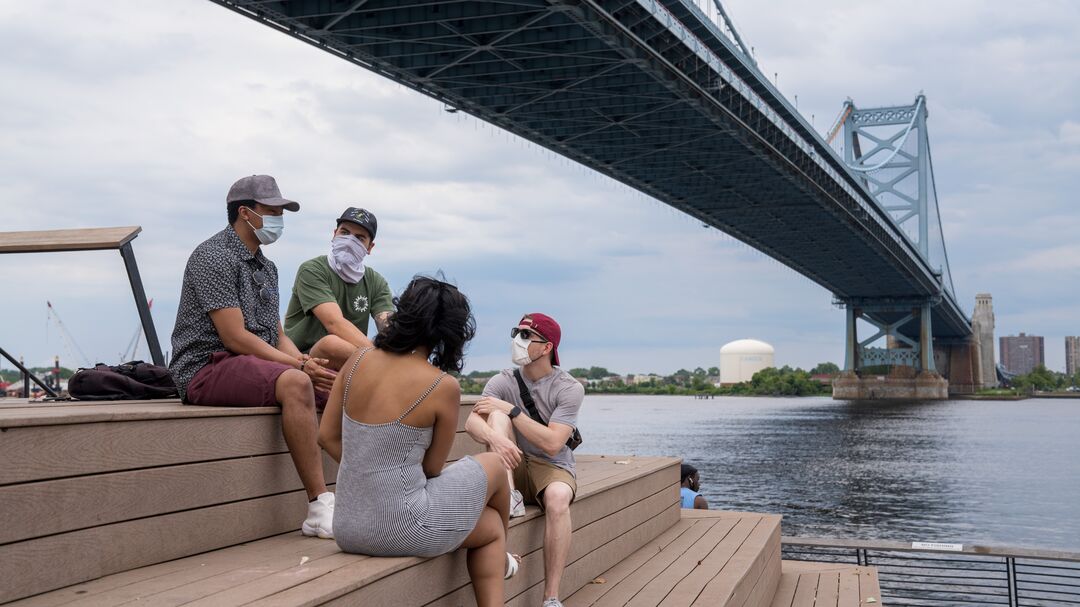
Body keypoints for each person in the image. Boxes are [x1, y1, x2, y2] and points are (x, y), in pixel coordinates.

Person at [319, 277, 519, 607]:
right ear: (450, 332)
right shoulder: (442, 386)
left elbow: (325, 436)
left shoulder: (356, 361)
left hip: (349, 525)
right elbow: (432, 468)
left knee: (491, 526)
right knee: (495, 465)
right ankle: (502, 563)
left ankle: (501, 558)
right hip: (404, 526)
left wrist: (370, 472)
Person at [170, 174, 338, 539]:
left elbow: (277, 335)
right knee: (296, 382)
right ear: (244, 212)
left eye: (282, 210)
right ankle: (318, 504)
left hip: (252, 363)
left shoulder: (267, 267)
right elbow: (234, 337)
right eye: (272, 210)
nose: (279, 217)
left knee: (338, 388)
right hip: (205, 365)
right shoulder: (211, 256)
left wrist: (310, 365)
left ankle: (364, 490)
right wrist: (299, 367)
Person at [466, 313, 584, 607]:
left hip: (552, 466)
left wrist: (512, 410)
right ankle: (511, 498)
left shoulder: (569, 388)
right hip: (511, 462)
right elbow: (471, 422)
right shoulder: (502, 380)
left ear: (546, 348)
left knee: (558, 498)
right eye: (516, 332)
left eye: (525, 336)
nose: (517, 341)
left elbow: (554, 443)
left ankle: (551, 598)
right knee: (493, 417)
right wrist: (494, 437)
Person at [284, 207, 394, 371]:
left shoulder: (376, 282)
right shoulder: (312, 270)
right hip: (304, 357)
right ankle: (385, 370)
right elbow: (333, 323)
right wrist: (382, 360)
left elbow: (388, 326)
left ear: (370, 247)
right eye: (345, 232)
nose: (350, 241)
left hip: (355, 357)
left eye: (359, 237)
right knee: (332, 343)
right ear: (334, 234)